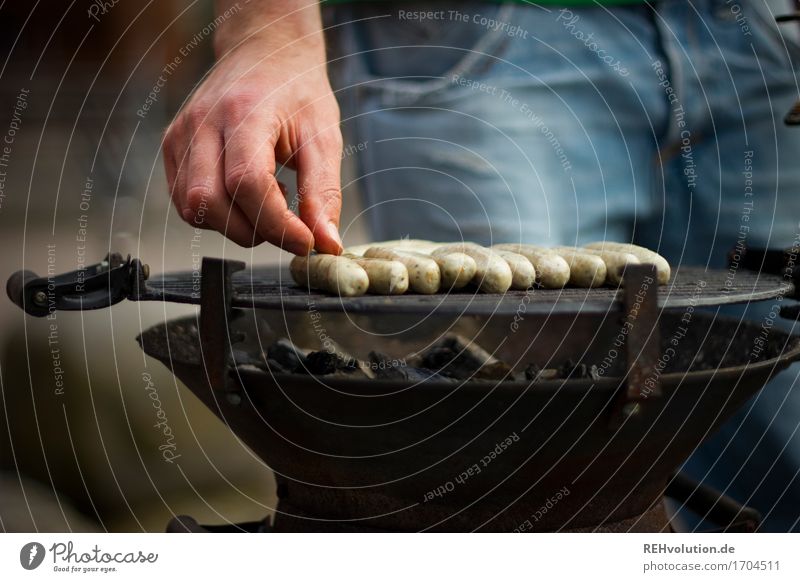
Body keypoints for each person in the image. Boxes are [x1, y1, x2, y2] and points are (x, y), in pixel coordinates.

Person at [163, 0, 800, 530]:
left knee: (777, 454)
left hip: (758, 36)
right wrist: (265, 29)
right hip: (478, 38)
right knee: (492, 479)